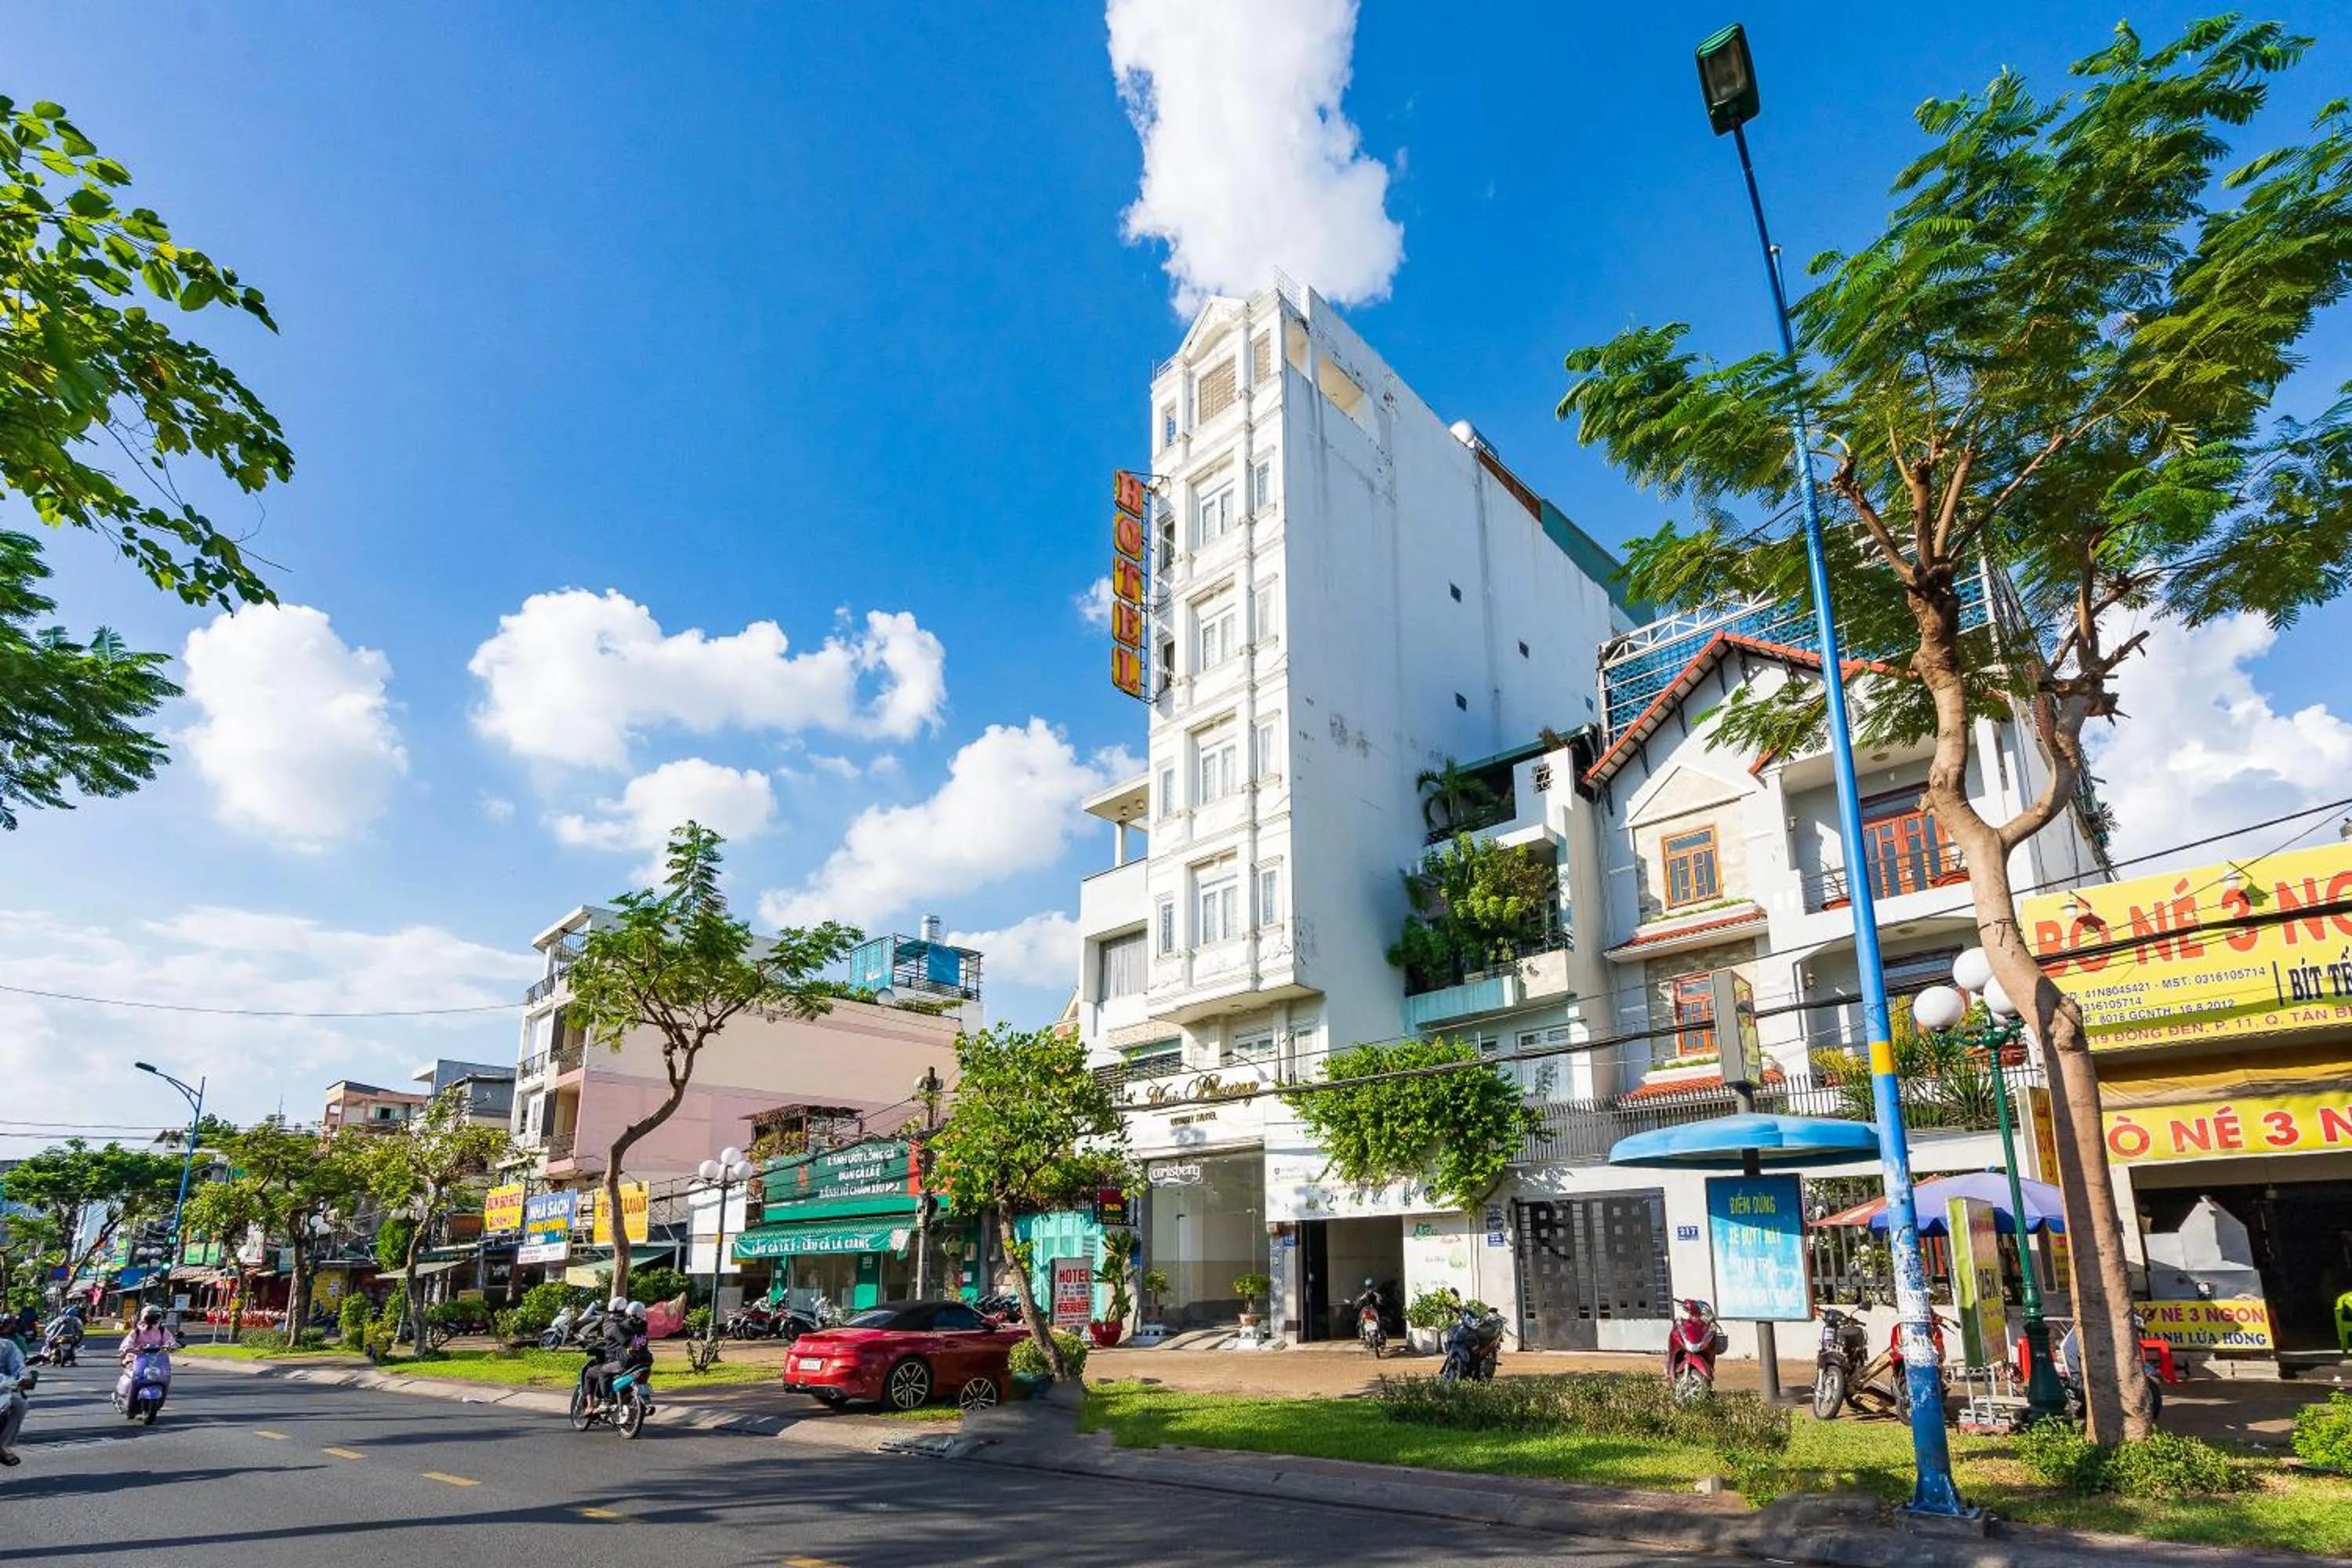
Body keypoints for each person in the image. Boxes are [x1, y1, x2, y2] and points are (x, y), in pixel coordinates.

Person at [0, 1330, 29, 1465]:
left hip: (3, 1389)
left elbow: (19, 1366)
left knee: (20, 1404)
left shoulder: (7, 1346)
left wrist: (24, 1378)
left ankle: (3, 1444)